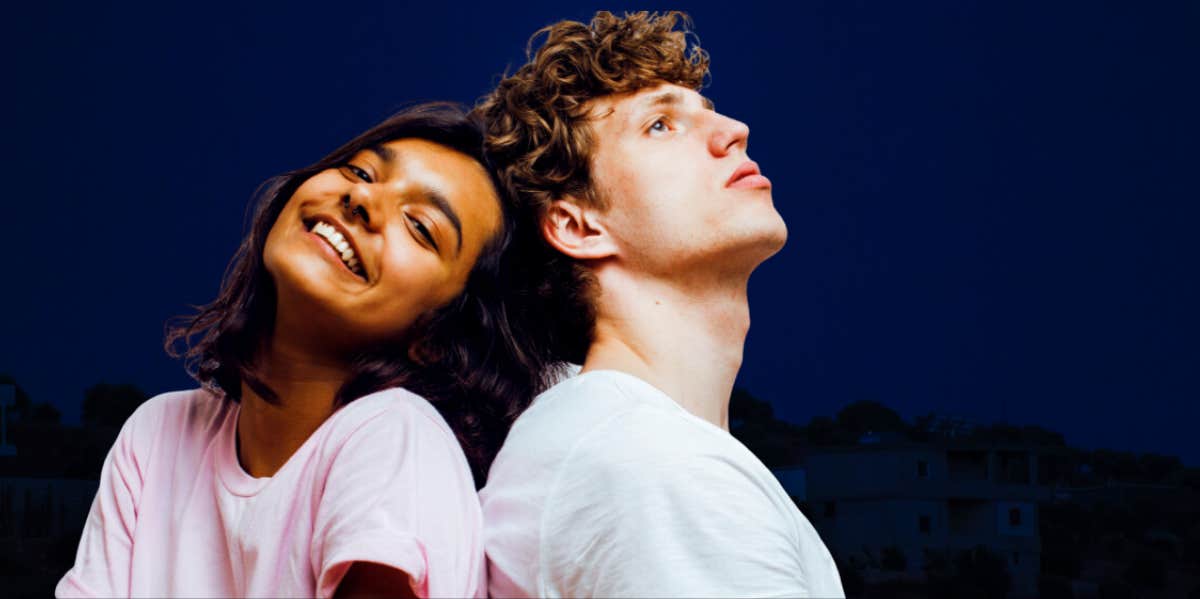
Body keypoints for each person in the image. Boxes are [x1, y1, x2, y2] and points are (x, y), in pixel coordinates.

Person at [57, 104, 555, 598]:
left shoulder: (398, 437)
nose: (360, 198)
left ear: (439, 336)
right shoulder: (158, 433)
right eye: (360, 171)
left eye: (420, 226)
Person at [475, 12, 846, 598]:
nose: (735, 129)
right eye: (661, 125)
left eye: (707, 110)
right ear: (577, 225)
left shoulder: (640, 442)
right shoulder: (651, 465)